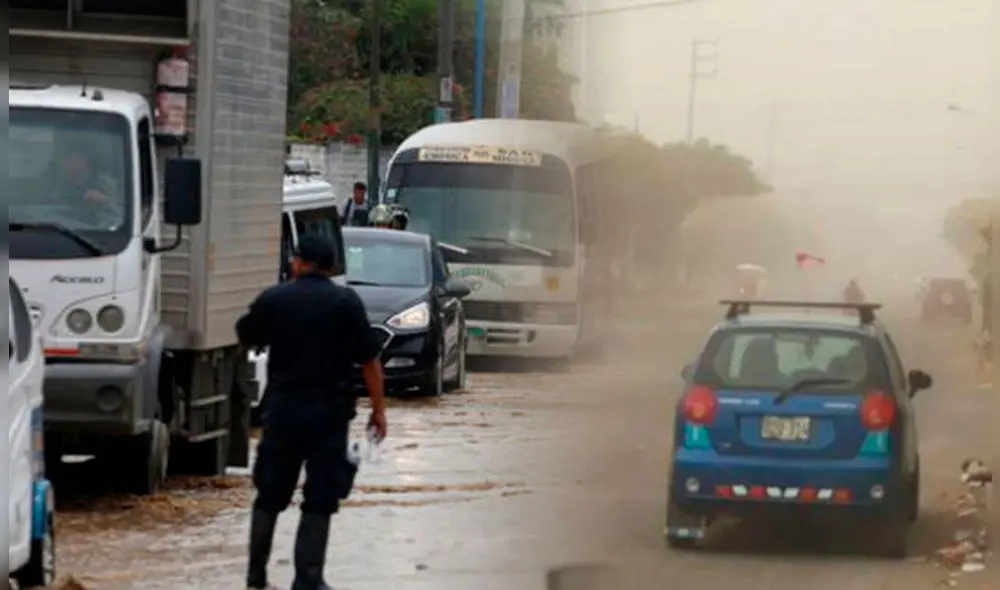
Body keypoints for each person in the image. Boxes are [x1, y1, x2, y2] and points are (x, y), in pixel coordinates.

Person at [236, 234, 388, 590]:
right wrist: (379, 410)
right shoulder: (346, 302)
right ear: (331, 267)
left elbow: (245, 335)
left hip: (282, 412)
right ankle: (308, 578)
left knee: (270, 493)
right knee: (321, 496)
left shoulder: (275, 298)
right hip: (329, 414)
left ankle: (256, 577)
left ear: (299, 262)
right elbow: (369, 361)